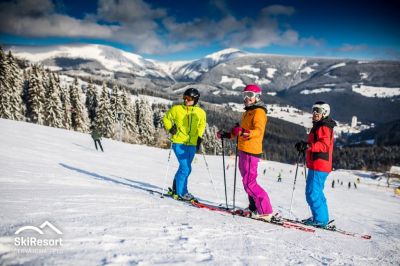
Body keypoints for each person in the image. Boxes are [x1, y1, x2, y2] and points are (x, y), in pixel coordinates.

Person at [217, 84, 274, 221]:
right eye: (245, 95)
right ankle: (254, 207)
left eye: (250, 95)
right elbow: (240, 131)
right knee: (247, 181)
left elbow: (258, 131)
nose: (247, 98)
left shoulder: (259, 112)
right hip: (243, 149)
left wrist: (244, 132)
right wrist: (228, 134)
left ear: (257, 97)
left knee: (250, 183)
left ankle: (266, 211)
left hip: (251, 150)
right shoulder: (248, 111)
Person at [295, 101, 336, 227]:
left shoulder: (324, 126)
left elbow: (324, 146)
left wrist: (308, 146)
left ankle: (320, 220)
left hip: (320, 164)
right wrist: (306, 146)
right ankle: (321, 218)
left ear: (324, 112)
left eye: (317, 110)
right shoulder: (319, 125)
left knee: (312, 192)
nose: (314, 113)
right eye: (313, 110)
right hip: (317, 164)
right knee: (316, 192)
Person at [163, 88, 206, 201]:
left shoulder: (200, 112)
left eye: (190, 98)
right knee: (185, 168)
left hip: (192, 144)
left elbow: (202, 124)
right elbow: (166, 118)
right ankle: (182, 192)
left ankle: (175, 189)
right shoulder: (177, 109)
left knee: (185, 168)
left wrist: (199, 137)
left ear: (195, 100)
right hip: (178, 142)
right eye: (185, 98)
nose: (186, 100)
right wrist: (170, 128)